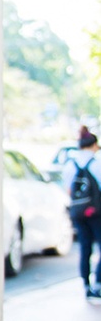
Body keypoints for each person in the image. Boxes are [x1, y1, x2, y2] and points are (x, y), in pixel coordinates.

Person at [63, 125, 101, 301]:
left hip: (78, 212)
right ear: (93, 145)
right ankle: (98, 282)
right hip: (96, 213)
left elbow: (68, 190)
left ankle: (86, 284)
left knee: (85, 248)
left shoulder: (71, 164)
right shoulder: (97, 164)